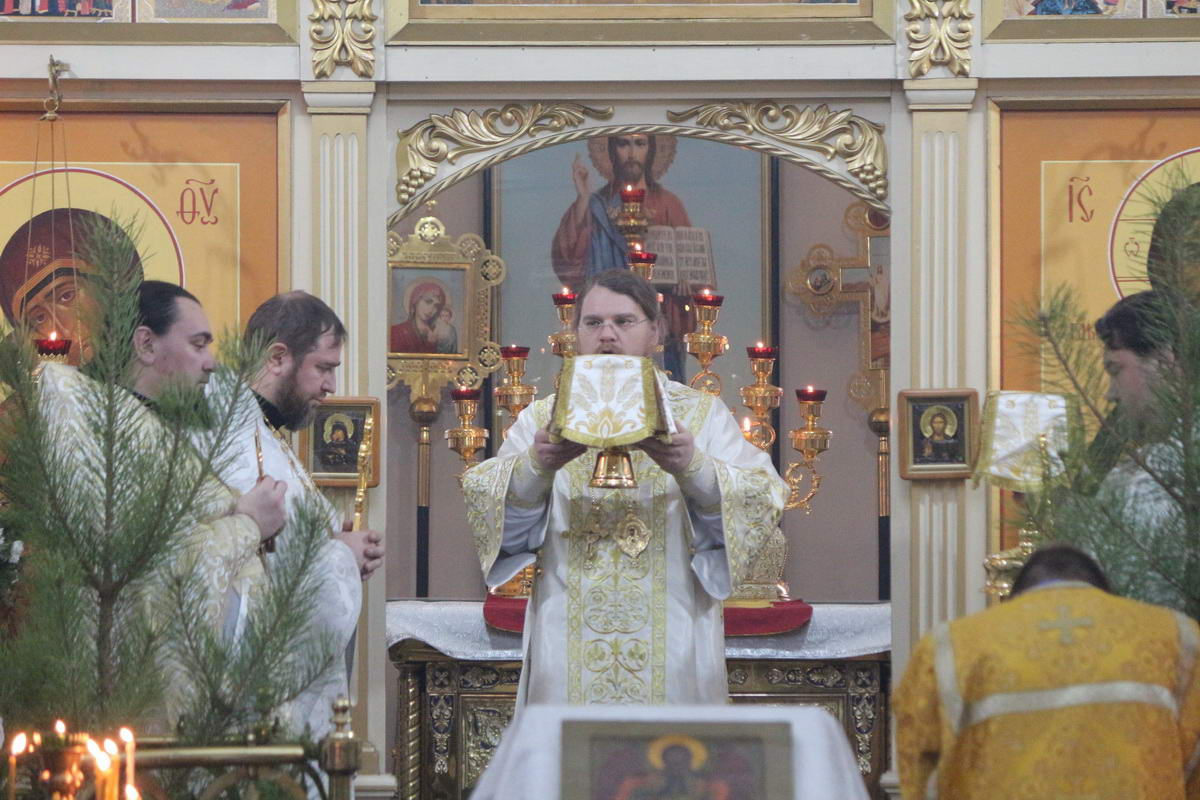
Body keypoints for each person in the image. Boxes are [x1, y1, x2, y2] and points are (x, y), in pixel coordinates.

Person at [462, 268, 787, 707]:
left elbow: (763, 496)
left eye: (624, 321)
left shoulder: (701, 416)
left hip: (673, 638)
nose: (607, 335)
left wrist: (692, 467)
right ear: (576, 333)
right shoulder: (542, 419)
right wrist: (536, 467)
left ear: (656, 332)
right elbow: (487, 502)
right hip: (567, 643)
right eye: (593, 322)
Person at [36, 280, 288, 720]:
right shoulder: (98, 426)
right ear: (146, 344)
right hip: (120, 698)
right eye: (198, 344)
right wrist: (248, 524)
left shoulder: (159, 433)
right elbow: (142, 568)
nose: (211, 362)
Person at [209, 290, 384, 740]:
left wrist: (342, 545)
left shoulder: (264, 431)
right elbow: (251, 552)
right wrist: (339, 554)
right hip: (245, 685)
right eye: (323, 368)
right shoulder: (226, 431)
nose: (331, 386)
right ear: (277, 358)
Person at [894, 544, 1200, 800]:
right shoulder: (1176, 638)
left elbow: (922, 769)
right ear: (1105, 593)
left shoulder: (951, 647)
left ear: (1016, 597)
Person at [551, 135, 694, 378]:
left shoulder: (668, 204)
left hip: (662, 328)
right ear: (610, 150)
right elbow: (568, 263)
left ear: (651, 150)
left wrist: (684, 288)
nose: (631, 153)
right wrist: (584, 199)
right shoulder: (596, 205)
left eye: (640, 144)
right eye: (623, 144)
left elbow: (690, 263)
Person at [0, 208, 140, 366]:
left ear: (107, 284)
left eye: (66, 296)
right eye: (40, 318)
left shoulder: (151, 355)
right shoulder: (47, 372)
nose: (64, 331)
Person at [389, 279, 457, 354]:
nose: (431, 309)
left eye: (436, 306)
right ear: (415, 301)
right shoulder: (396, 332)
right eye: (428, 301)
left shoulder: (442, 332)